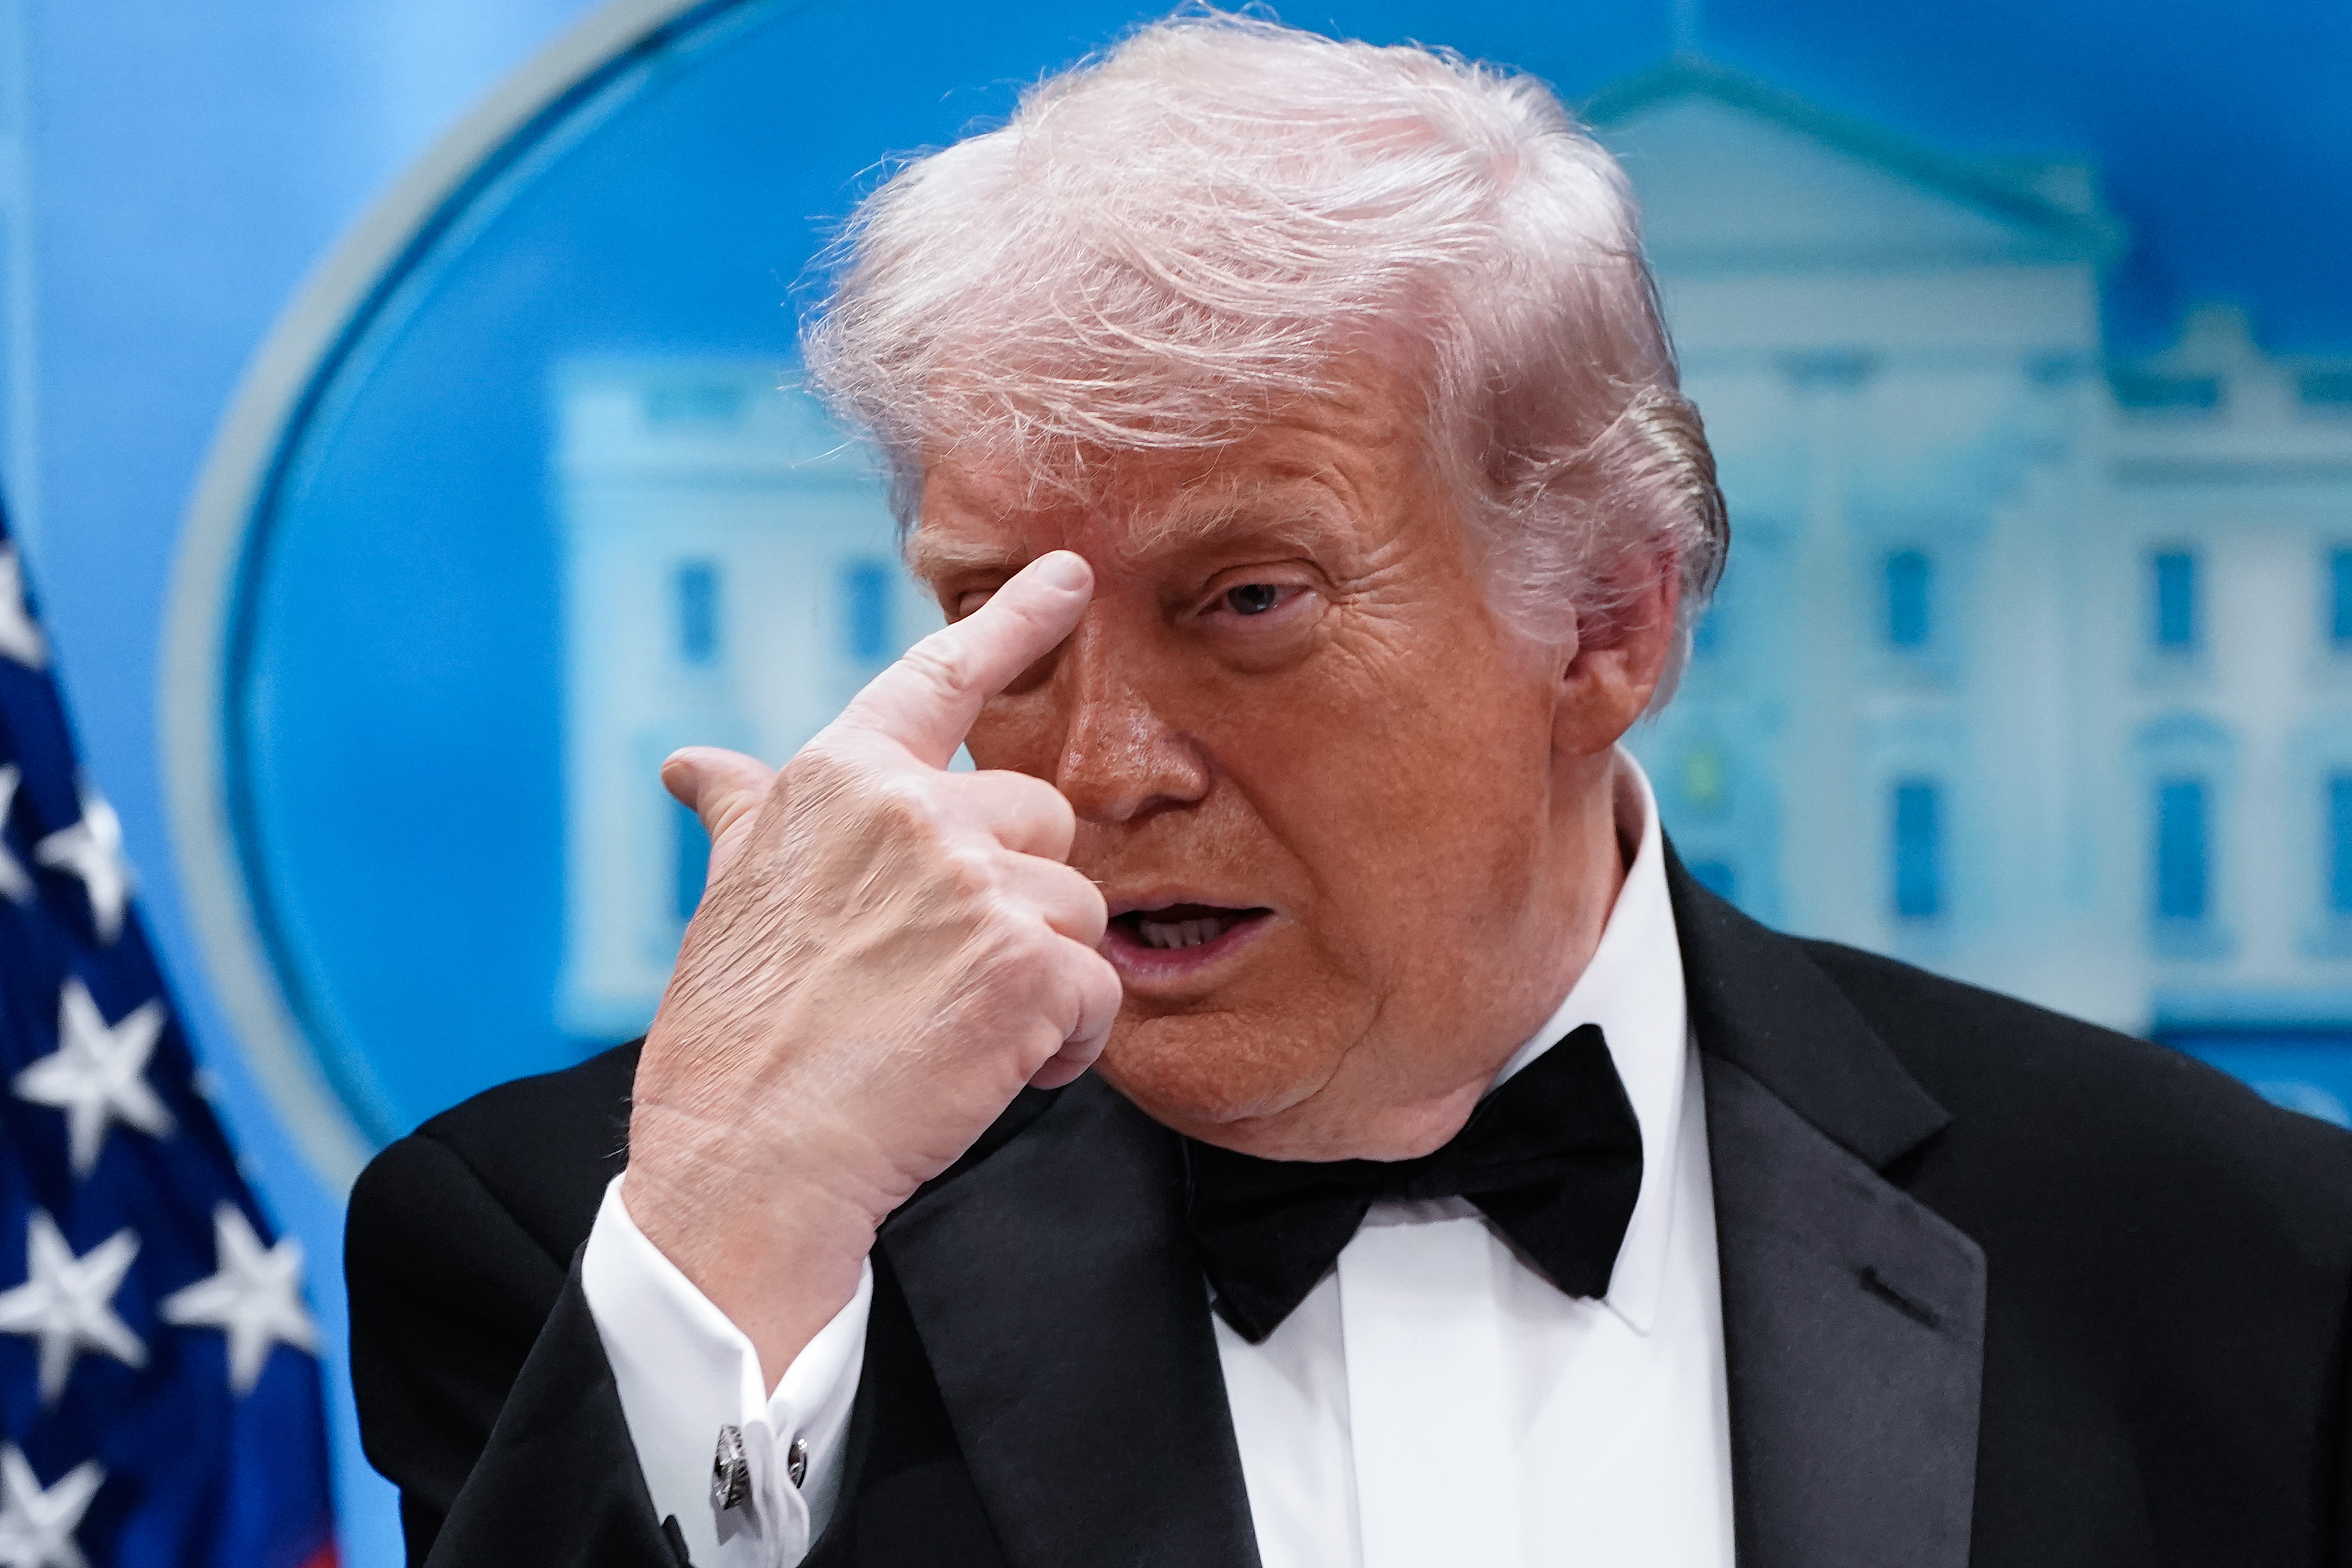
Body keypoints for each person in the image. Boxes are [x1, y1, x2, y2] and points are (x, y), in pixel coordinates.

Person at [345, 15, 2352, 1567]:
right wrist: (744, 1231)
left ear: (1608, 624)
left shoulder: (2225, 1253)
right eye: (1010, 620)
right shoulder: (607, 1249)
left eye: (1246, 601)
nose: (1103, 766)